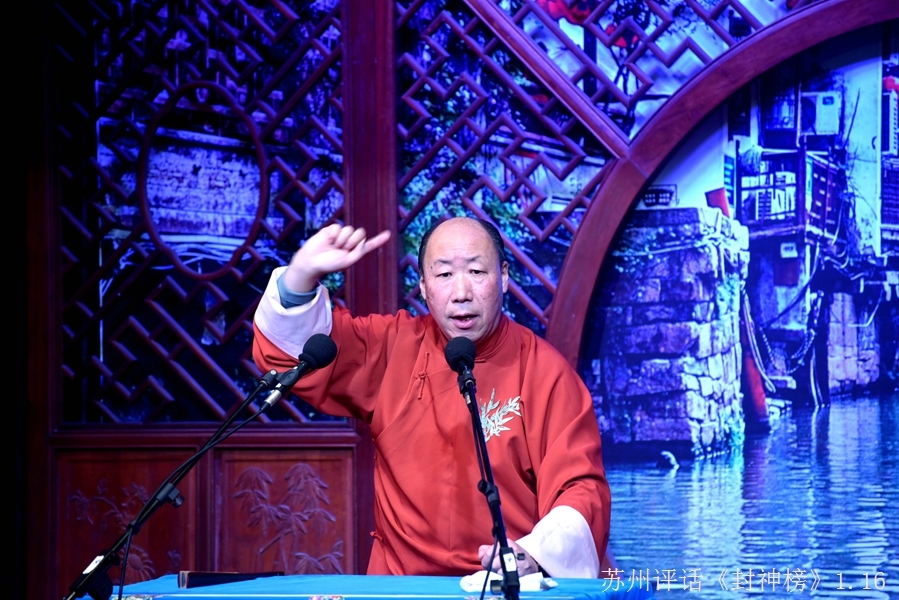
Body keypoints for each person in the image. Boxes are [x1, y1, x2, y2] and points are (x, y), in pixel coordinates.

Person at [253, 217, 610, 578]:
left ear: (503, 276)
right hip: (401, 584)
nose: (461, 292)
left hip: (505, 580)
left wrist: (533, 555)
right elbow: (301, 351)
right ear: (423, 286)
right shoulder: (393, 347)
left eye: (476, 272)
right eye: (443, 275)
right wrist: (299, 278)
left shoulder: (545, 372)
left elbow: (579, 486)